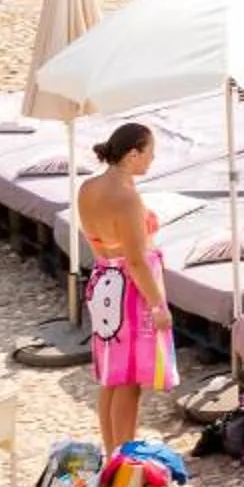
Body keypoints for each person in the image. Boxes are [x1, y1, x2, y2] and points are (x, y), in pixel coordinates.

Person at [76, 122, 177, 455]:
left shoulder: (88, 188)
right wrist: (158, 306)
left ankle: (111, 453)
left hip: (103, 278)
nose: (152, 159)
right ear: (133, 154)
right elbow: (135, 260)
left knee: (111, 377)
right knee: (130, 380)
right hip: (130, 288)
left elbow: (98, 242)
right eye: (149, 153)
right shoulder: (127, 198)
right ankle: (125, 457)